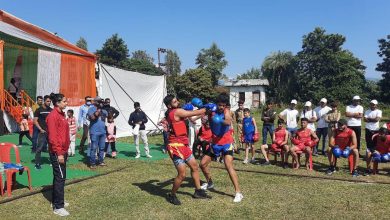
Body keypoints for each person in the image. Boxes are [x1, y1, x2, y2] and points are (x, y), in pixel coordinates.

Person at [163, 95, 211, 205]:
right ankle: (172, 195)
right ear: (169, 105)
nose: (177, 101)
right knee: (182, 174)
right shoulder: (176, 112)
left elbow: (192, 118)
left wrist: (202, 111)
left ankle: (198, 191)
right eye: (175, 101)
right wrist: (205, 109)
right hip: (175, 146)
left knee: (194, 167)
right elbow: (192, 114)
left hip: (184, 145)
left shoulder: (177, 111)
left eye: (177, 100)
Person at [208, 93, 243, 202]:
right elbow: (199, 113)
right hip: (215, 143)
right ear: (216, 104)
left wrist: (219, 120)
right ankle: (210, 183)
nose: (222, 107)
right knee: (203, 164)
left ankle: (238, 193)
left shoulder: (226, 111)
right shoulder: (211, 109)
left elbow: (228, 121)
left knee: (228, 166)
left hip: (226, 143)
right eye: (220, 105)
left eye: (224, 105)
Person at [46, 93, 70, 217]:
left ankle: (57, 201)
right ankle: (58, 207)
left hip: (63, 151)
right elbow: (52, 138)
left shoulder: (61, 114)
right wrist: (59, 153)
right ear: (57, 103)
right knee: (60, 177)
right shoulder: (52, 116)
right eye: (64, 101)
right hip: (57, 152)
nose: (66, 103)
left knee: (60, 176)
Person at [87, 96, 108, 169]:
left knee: (102, 148)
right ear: (95, 102)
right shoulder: (91, 109)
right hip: (94, 132)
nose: (100, 103)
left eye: (101, 101)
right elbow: (92, 118)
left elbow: (109, 118)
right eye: (99, 101)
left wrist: (108, 108)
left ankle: (101, 161)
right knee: (94, 148)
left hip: (103, 132)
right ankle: (92, 163)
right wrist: (98, 110)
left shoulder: (104, 111)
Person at [363, 100, 382, 175]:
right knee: (368, 147)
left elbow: (377, 119)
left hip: (375, 131)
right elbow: (364, 119)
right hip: (368, 130)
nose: (372, 105)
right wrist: (372, 120)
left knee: (375, 148)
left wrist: (369, 120)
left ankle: (374, 168)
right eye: (371, 104)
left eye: (373, 105)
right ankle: (368, 168)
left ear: (376, 105)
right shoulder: (367, 111)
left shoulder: (379, 111)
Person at [34, 95, 52, 170]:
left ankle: (52, 161)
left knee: (51, 147)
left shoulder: (51, 110)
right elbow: (35, 121)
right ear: (44, 101)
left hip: (50, 132)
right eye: (48, 101)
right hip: (42, 132)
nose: (49, 102)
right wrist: (40, 129)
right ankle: (37, 163)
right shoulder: (38, 110)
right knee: (39, 148)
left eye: (50, 101)